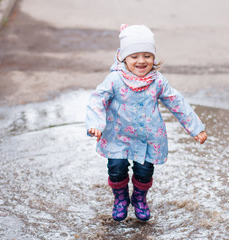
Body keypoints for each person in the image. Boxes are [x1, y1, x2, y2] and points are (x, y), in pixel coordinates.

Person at [86, 24, 207, 222]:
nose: (141, 61)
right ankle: (120, 198)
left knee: (144, 171)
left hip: (148, 137)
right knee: (116, 168)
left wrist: (195, 128)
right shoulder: (115, 79)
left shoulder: (157, 81)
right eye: (134, 56)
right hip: (118, 135)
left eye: (147, 56)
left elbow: (177, 102)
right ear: (123, 57)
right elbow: (97, 99)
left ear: (153, 57)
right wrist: (95, 124)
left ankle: (140, 198)